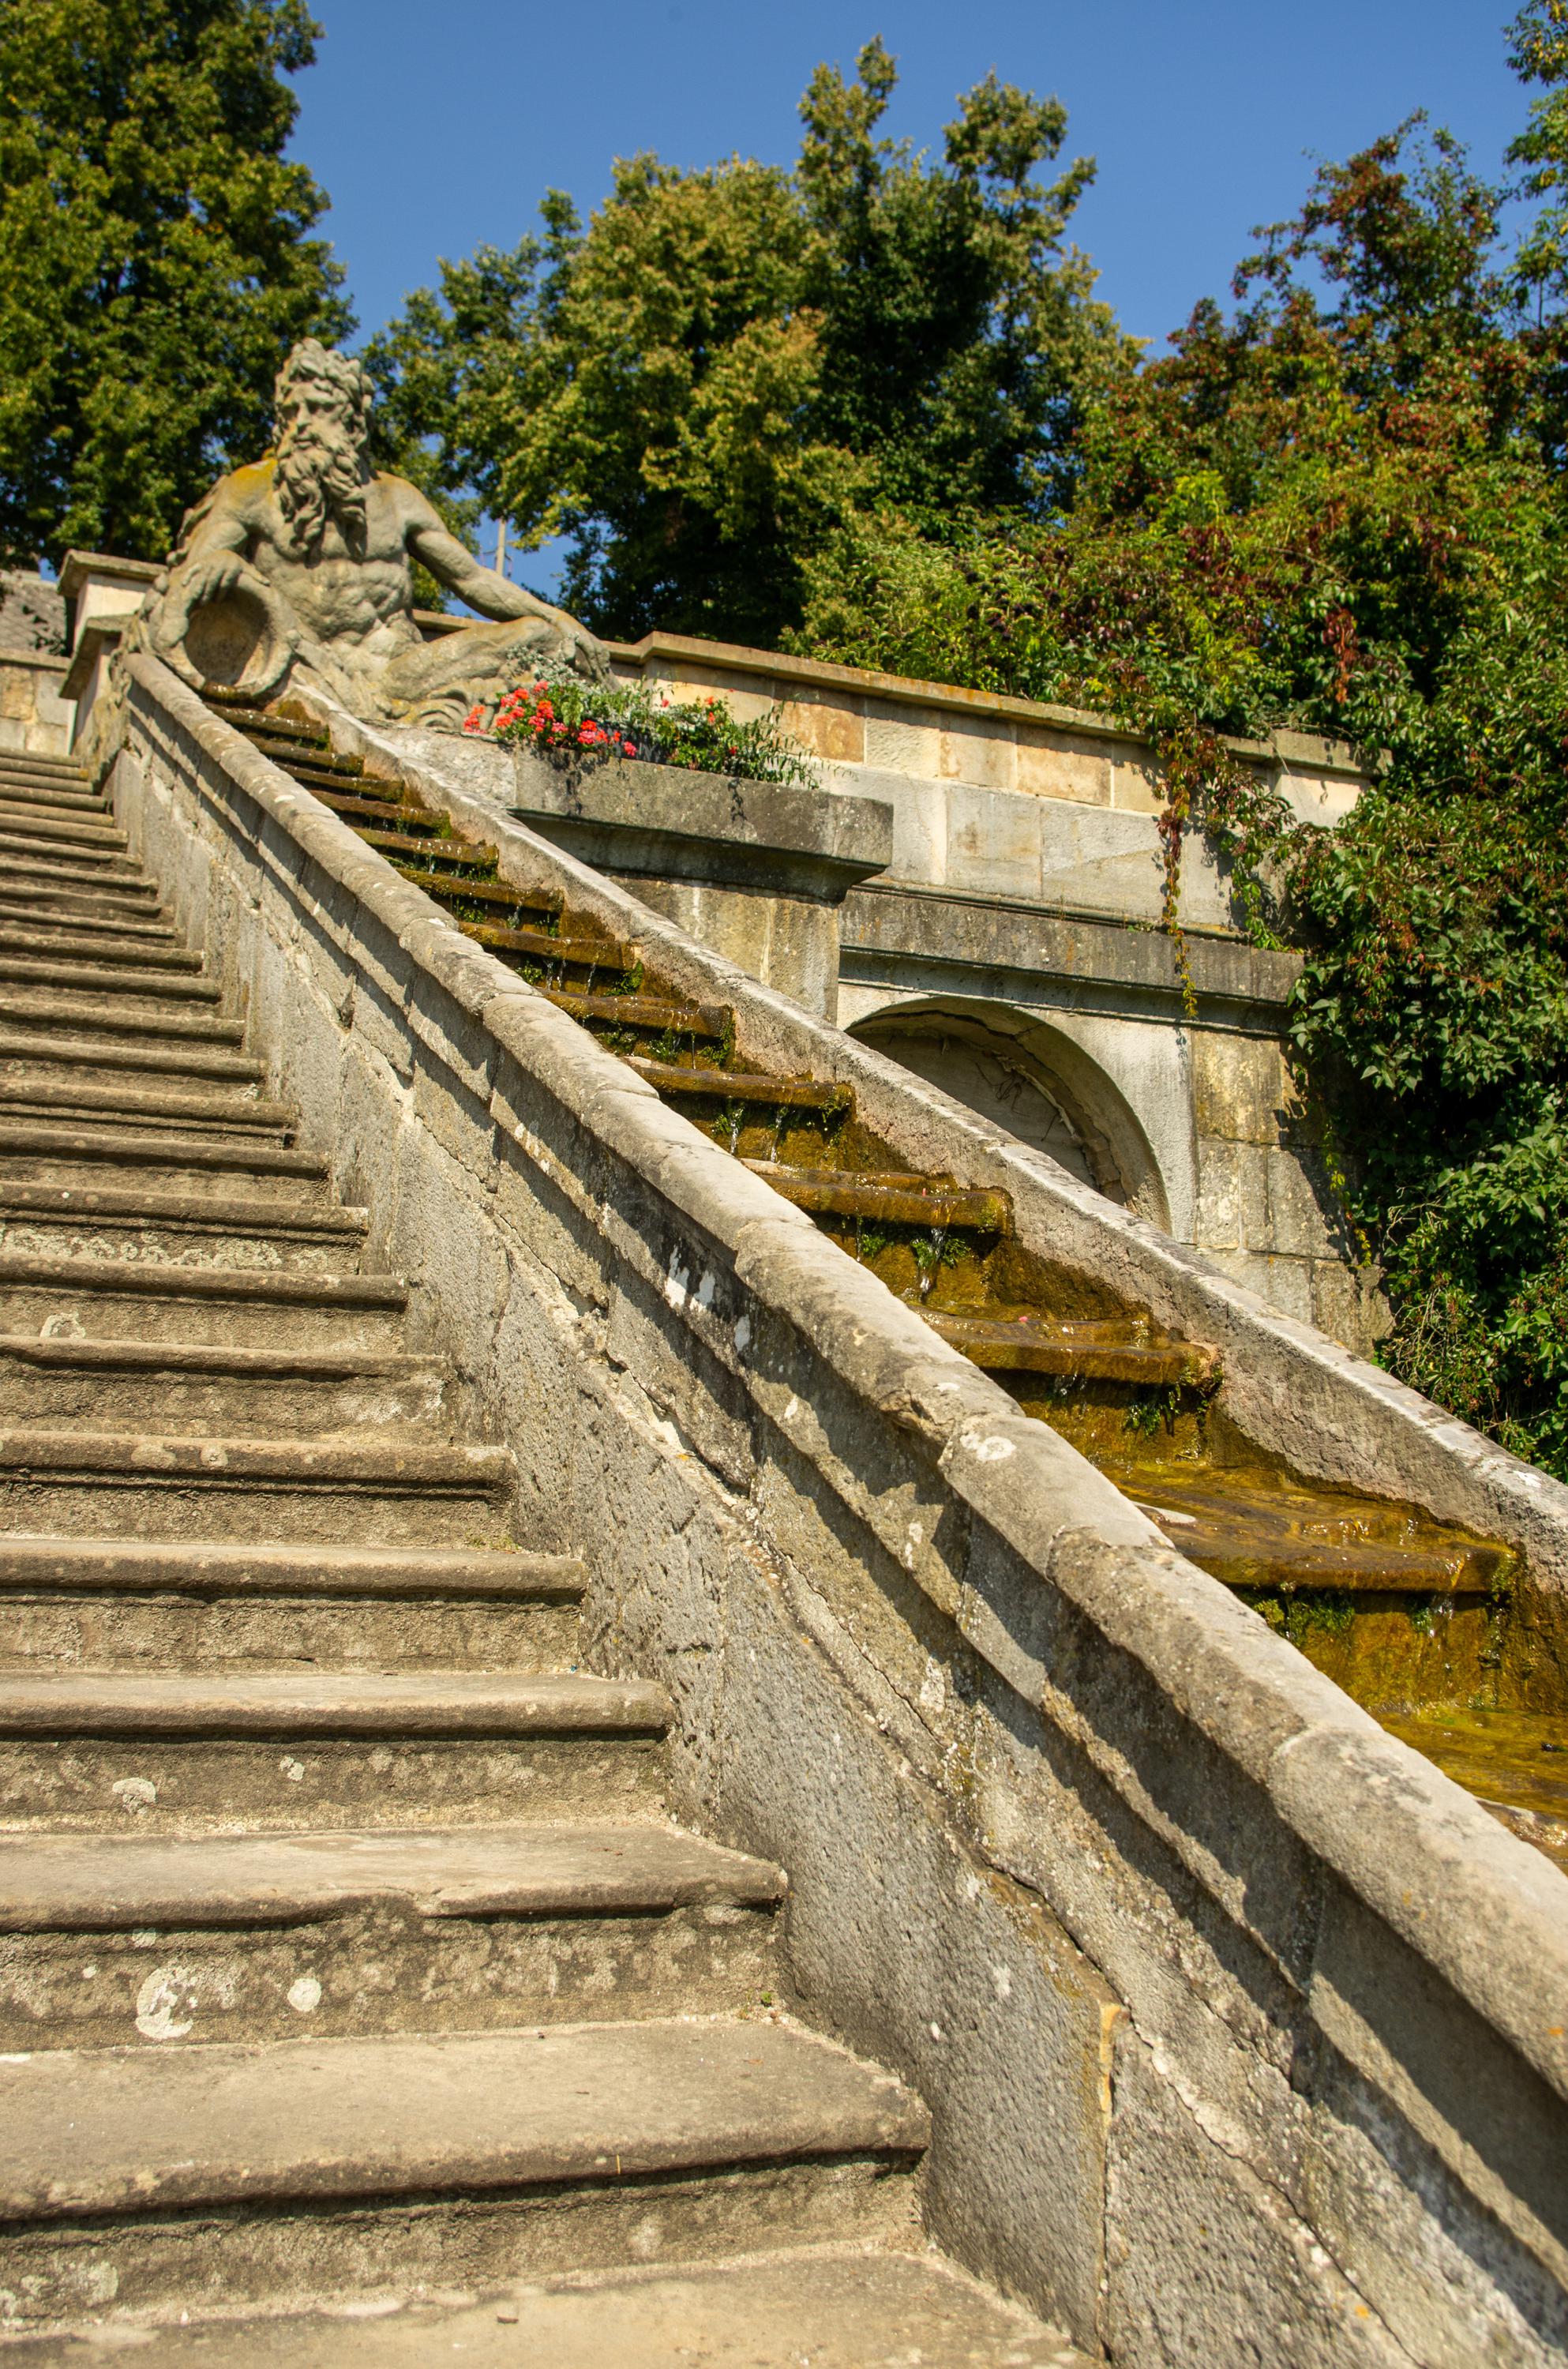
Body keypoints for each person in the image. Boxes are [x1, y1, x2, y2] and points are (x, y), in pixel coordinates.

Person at [147, 340, 606, 721]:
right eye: (293, 411)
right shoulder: (249, 490)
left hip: (398, 670)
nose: (303, 423)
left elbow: (470, 579)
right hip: (303, 666)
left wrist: (556, 617)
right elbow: (191, 575)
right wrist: (223, 563)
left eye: (319, 408)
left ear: (351, 418)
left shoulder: (397, 498)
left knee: (541, 636)